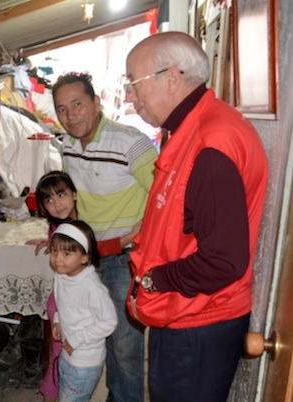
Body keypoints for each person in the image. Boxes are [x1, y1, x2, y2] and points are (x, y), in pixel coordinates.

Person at [124, 32, 268, 402]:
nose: (129, 97)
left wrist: (156, 279)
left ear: (172, 78)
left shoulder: (211, 143)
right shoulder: (193, 129)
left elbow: (223, 260)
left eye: (134, 84)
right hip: (187, 313)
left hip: (199, 321)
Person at [52, 72, 158, 402]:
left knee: (124, 345)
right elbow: (74, 201)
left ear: (97, 103)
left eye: (78, 104)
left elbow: (163, 197)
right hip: (88, 256)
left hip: (123, 257)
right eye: (62, 109)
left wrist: (128, 239)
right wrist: (58, 235)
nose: (71, 116)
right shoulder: (67, 145)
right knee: (93, 329)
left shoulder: (130, 141)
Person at [31, 171, 139, 402]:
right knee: (59, 355)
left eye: (61, 195)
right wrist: (51, 244)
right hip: (62, 300)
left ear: (74, 194)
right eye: (49, 200)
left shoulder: (91, 222)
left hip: (78, 300)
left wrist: (130, 236)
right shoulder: (56, 229)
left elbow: (99, 248)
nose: (57, 203)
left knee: (77, 352)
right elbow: (60, 244)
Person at [49, 221, 117, 402]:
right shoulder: (61, 274)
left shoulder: (92, 287)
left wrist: (78, 338)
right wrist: (58, 320)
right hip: (68, 355)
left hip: (85, 362)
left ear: (85, 257)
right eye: (54, 250)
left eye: (67, 253)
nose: (57, 259)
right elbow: (63, 302)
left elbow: (109, 321)